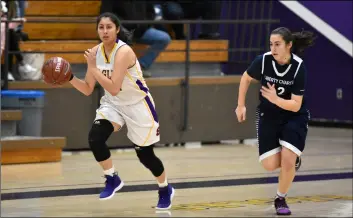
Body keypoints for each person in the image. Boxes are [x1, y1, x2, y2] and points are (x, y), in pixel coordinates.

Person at [68, 12, 175, 210]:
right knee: (95, 137)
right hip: (113, 104)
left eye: (109, 27)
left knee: (145, 156)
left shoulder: (124, 52)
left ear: (117, 29)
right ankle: (112, 178)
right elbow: (87, 89)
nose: (105, 31)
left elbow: (114, 86)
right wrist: (69, 77)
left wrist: (93, 67)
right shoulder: (95, 52)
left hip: (137, 105)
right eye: (101, 27)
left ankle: (164, 188)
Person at [235, 27, 316, 215]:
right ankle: (292, 161)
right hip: (268, 115)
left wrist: (275, 99)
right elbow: (246, 78)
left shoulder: (298, 67)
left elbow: (296, 105)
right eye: (271, 44)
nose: (273, 48)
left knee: (288, 158)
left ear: (289, 45)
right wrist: (241, 105)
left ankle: (280, 198)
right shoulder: (263, 61)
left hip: (293, 116)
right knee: (269, 165)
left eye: (277, 44)